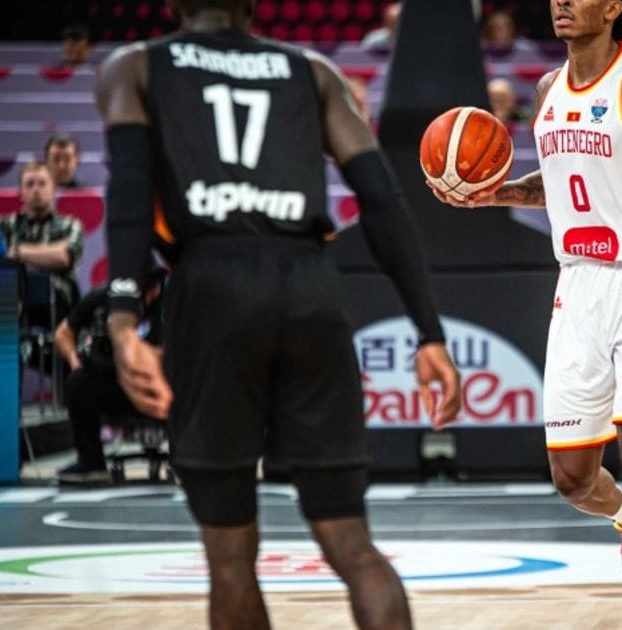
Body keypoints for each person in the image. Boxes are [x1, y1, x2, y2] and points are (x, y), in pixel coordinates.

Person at [95, 0, 462, 628]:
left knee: (230, 559)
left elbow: (128, 196)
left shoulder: (135, 67)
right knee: (353, 543)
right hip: (307, 285)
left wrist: (123, 318)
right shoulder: (314, 71)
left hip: (211, 285)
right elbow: (382, 202)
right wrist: (429, 331)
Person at [431, 1, 622, 628]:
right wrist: (496, 194)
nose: (563, 2)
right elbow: (563, 180)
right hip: (577, 286)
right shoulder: (548, 88)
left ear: (614, 7)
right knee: (573, 479)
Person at [53, 267, 167, 484]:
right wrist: (76, 362)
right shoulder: (105, 296)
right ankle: (91, 464)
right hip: (115, 382)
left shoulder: (174, 302)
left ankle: (186, 459)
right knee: (79, 382)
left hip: (159, 385)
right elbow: (63, 333)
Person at [0, 161, 85, 323]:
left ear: (53, 189)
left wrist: (18, 252)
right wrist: (48, 253)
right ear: (20, 191)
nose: (36, 190)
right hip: (13, 299)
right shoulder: (4, 225)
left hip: (59, 304)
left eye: (42, 183)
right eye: (30, 184)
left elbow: (63, 257)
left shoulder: (70, 225)